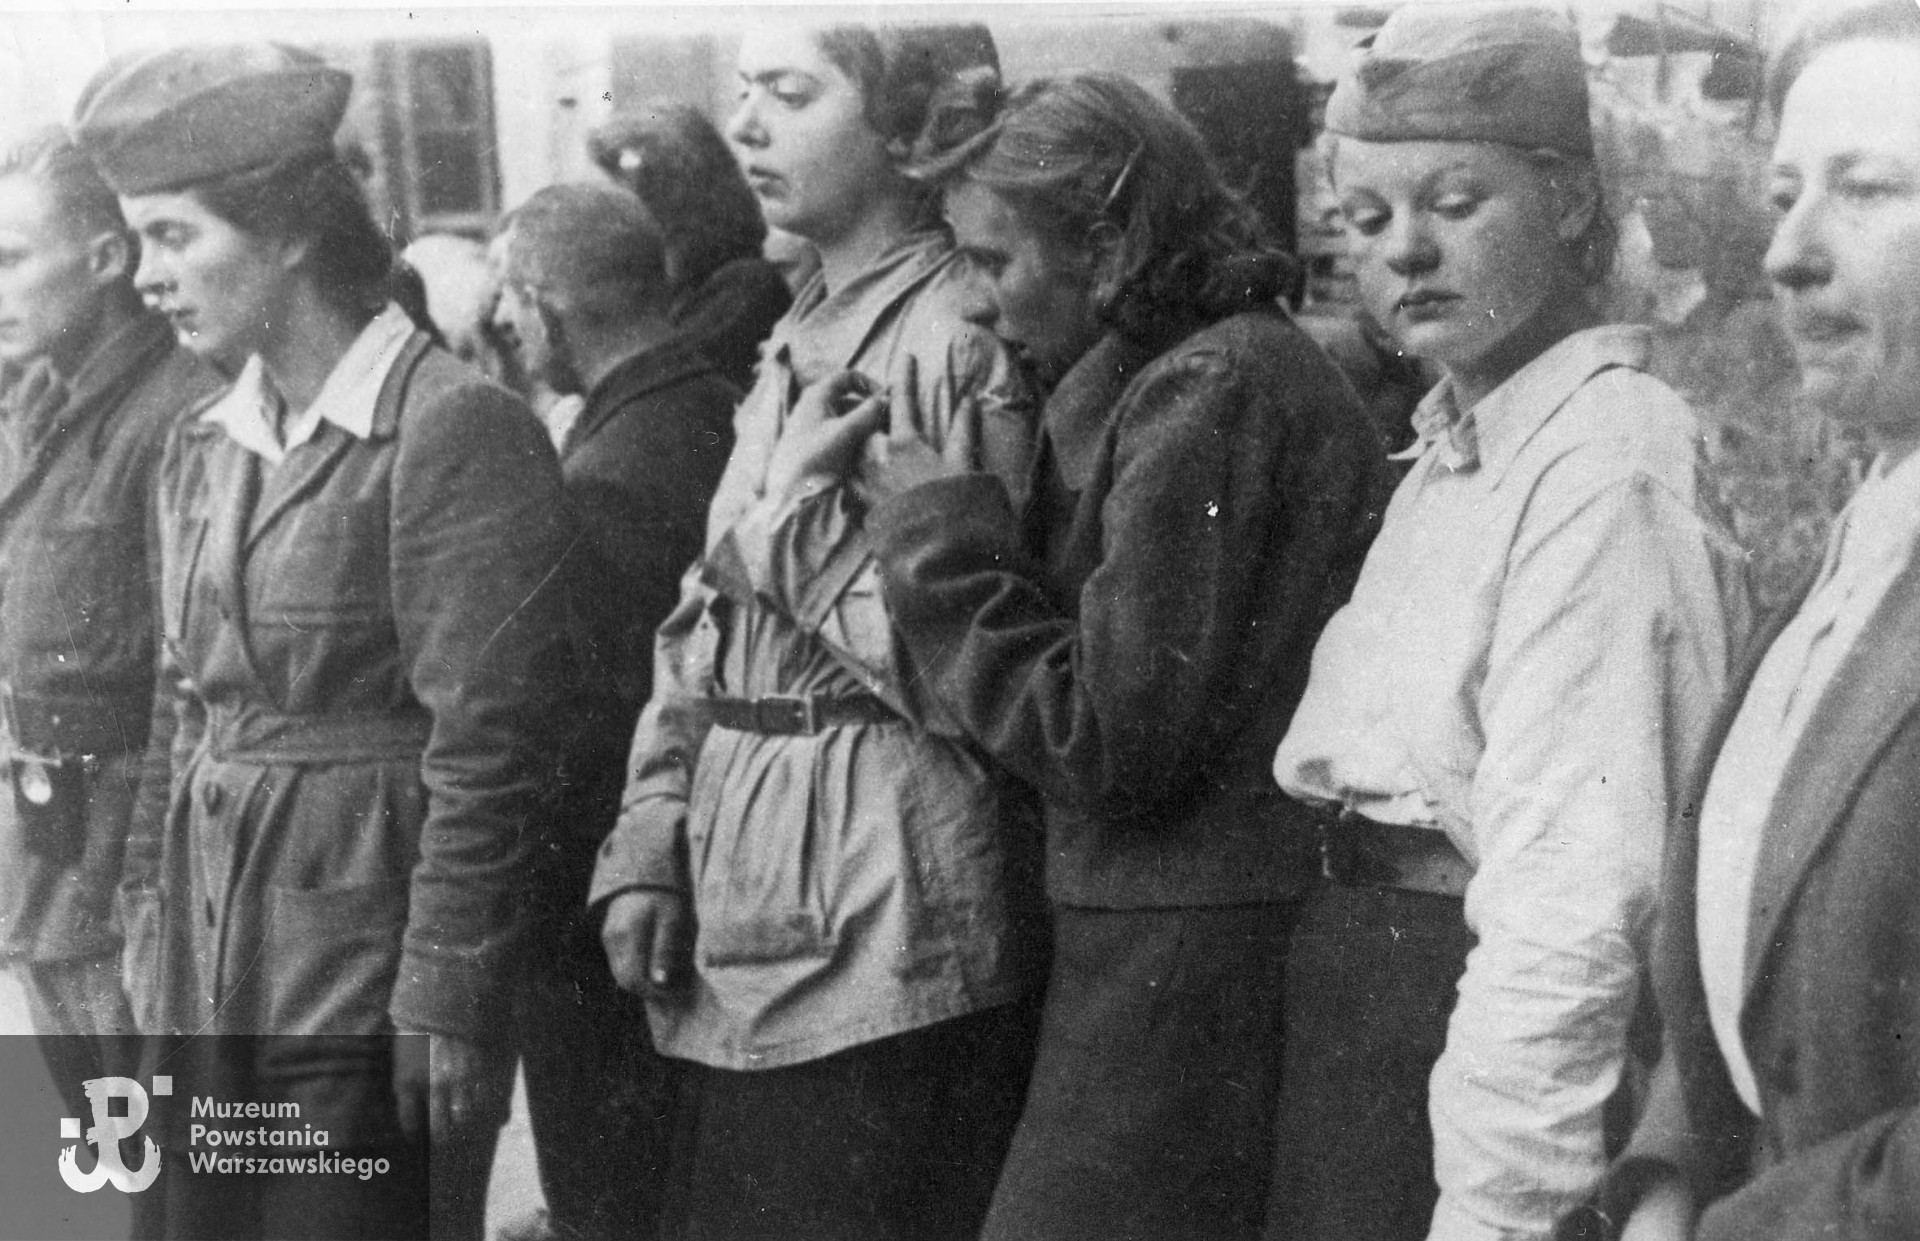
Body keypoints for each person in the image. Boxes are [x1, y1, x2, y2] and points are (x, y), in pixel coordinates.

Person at [772, 71, 1390, 1240]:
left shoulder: (1208, 390)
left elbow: (1103, 736)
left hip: (1188, 945)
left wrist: (937, 536)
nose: (977, 305)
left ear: (1106, 245)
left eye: (993, 261)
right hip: (1176, 926)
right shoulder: (1196, 376)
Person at [72, 43, 576, 1241]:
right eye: (137, 240)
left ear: (292, 230)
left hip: (366, 937)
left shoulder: (454, 426)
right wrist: (145, 907)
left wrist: (444, 992)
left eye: (173, 236)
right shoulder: (207, 439)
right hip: (211, 936)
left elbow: (495, 742)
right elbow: (182, 698)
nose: (147, 276)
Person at [1267, 7, 1751, 1240]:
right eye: (1367, 217)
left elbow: (1575, 903)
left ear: (1573, 203)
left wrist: (1501, 1213)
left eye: (1455, 202)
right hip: (1370, 1007)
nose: (1406, 250)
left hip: (1464, 1004)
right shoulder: (1466, 443)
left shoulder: (1603, 461)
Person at [588, 23, 1043, 1241]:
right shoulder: (802, 326)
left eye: (791, 94)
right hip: (749, 903)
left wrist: (784, 532)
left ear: (909, 126)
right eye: (745, 92)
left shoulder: (957, 334)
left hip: (885, 914)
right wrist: (652, 830)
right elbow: (707, 613)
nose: (744, 125)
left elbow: (978, 670)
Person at [1599, 4, 1920, 1238]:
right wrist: (1668, 1178)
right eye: (1785, 194)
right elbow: (1767, 937)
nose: (1787, 252)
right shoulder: (1867, 534)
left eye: (1867, 190)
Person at [489, 182, 739, 1241]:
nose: (499, 320)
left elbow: (591, 723)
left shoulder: (613, 470)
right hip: (696, 863)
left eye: (510, 295)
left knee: (613, 1188)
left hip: (608, 898)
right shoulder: (714, 402)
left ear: (550, 305)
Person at [0, 127, 217, 1126]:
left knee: (156, 1144)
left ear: (105, 258)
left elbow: (187, 676)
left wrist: (145, 887)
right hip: (50, 854)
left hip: (123, 868)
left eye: (12, 257)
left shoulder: (175, 412)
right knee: (106, 1143)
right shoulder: (43, 403)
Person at [589, 102, 792, 392]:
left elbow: (653, 390)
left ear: (673, 196)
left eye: (618, 199)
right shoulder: (671, 290)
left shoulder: (745, 289)